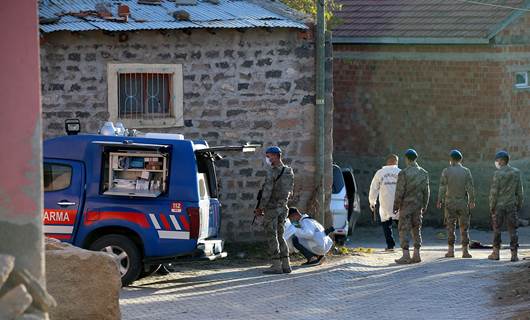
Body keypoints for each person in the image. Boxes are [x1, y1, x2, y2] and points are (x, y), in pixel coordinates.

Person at [255, 146, 295, 274]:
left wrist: (260, 208)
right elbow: (290, 191)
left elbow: (267, 193)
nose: (267, 158)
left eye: (269, 156)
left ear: (277, 156)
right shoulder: (289, 171)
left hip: (272, 208)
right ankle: (286, 265)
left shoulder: (272, 172)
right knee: (281, 235)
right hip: (283, 208)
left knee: (272, 236)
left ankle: (276, 265)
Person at [393, 149, 430, 264]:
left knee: (404, 229)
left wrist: (396, 205)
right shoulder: (424, 173)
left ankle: (405, 255)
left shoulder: (403, 173)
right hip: (418, 205)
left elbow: (400, 191)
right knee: (416, 228)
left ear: (407, 159)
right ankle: (417, 254)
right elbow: (427, 191)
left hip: (406, 206)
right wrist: (425, 204)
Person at [437, 150, 476, 259]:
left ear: (451, 159)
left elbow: (442, 187)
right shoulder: (466, 171)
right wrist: (472, 200)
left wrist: (439, 200)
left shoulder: (446, 171)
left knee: (450, 227)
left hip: (450, 203)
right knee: (464, 227)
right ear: (461, 159)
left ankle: (451, 251)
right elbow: (470, 187)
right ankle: (465, 251)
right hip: (463, 203)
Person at [488, 150, 524, 262]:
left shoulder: (497, 174)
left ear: (502, 160)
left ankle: (496, 253)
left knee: (497, 229)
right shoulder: (516, 172)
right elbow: (519, 191)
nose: (497, 162)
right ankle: (514, 254)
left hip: (499, 205)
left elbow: (494, 192)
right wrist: (519, 204)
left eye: (498, 160)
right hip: (511, 205)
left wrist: (491, 206)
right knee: (513, 230)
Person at [368, 154, 401, 251]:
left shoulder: (380, 173)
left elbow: (373, 188)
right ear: (396, 162)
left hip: (384, 203)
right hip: (398, 204)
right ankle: (404, 245)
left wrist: (372, 202)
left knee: (386, 225)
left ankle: (390, 246)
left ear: (387, 161)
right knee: (401, 225)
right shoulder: (400, 172)